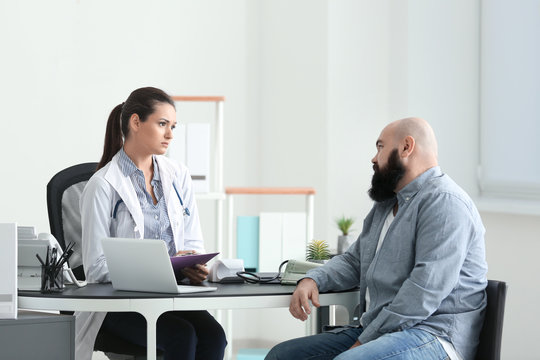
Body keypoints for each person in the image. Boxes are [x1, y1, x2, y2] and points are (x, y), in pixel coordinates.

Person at [266, 117, 487, 360]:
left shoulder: (445, 203)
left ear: (406, 147)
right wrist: (313, 280)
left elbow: (422, 294)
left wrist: (363, 342)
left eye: (380, 147)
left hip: (433, 335)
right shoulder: (388, 203)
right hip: (379, 329)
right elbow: (354, 261)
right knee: (281, 356)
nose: (374, 158)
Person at [75, 87, 227, 360]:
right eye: (162, 124)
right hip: (118, 304)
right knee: (181, 336)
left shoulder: (177, 174)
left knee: (215, 336)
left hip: (171, 295)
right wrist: (159, 266)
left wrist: (193, 263)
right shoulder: (103, 185)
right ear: (135, 122)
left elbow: (192, 242)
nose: (170, 134)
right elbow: (96, 268)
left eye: (173, 127)